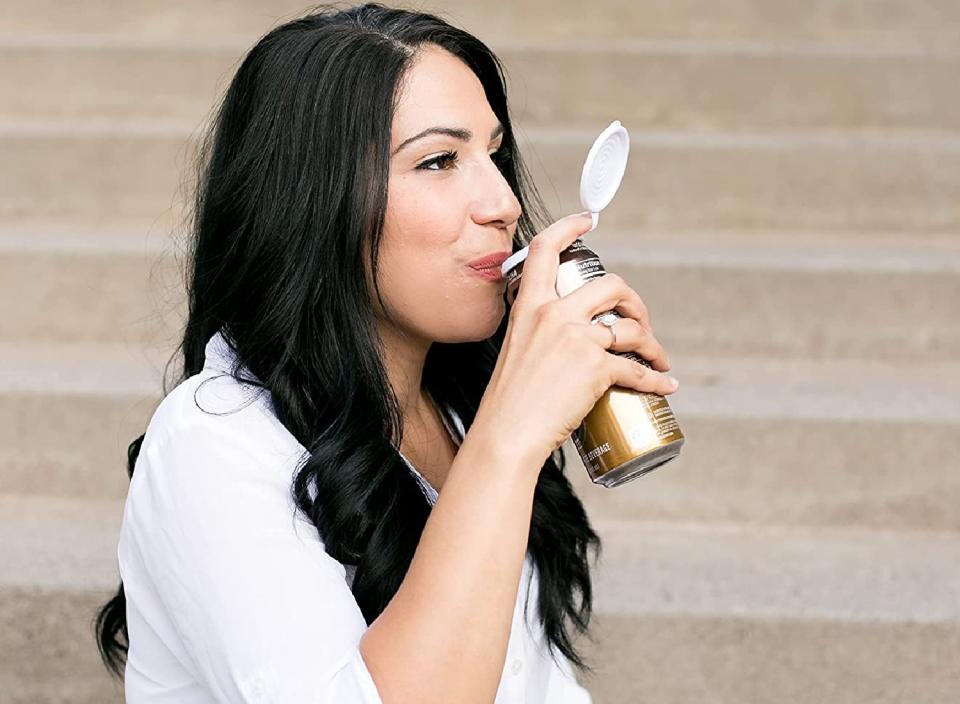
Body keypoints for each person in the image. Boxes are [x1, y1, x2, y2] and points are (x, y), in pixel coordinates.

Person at [94, 3, 679, 702]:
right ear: (316, 201)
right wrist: (511, 437)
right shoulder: (213, 441)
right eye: (438, 161)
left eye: (493, 154)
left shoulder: (457, 409)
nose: (502, 202)